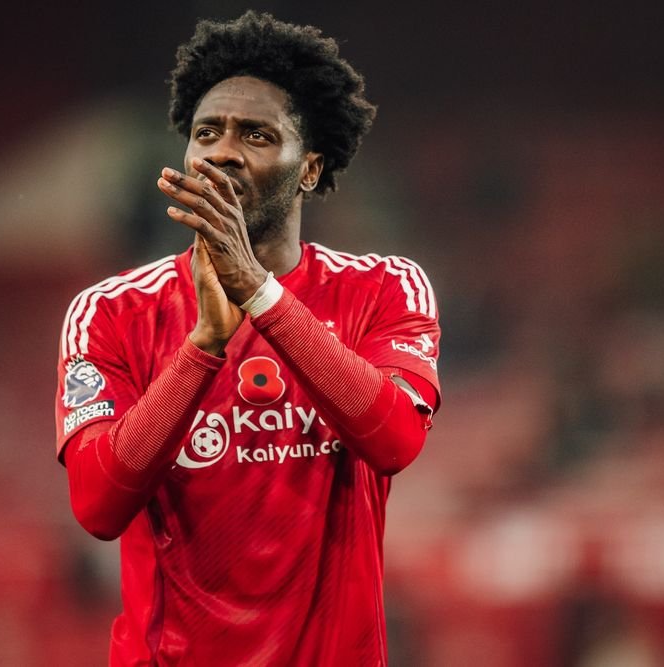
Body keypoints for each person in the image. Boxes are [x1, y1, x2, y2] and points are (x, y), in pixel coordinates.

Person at [55, 11, 441, 666]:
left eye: (257, 134)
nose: (224, 150)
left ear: (311, 168)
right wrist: (204, 345)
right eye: (207, 132)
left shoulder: (383, 289)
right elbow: (97, 505)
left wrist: (261, 293)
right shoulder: (112, 310)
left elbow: (396, 439)